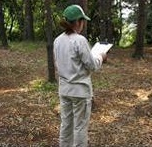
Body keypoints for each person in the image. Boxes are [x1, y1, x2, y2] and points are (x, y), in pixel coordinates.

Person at [53, 4, 107, 147]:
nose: (83, 23)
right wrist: (101, 56)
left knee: (66, 124)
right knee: (80, 127)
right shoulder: (80, 40)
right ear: (78, 22)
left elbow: (58, 64)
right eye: (82, 20)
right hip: (80, 91)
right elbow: (92, 65)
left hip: (64, 90)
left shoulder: (57, 41)